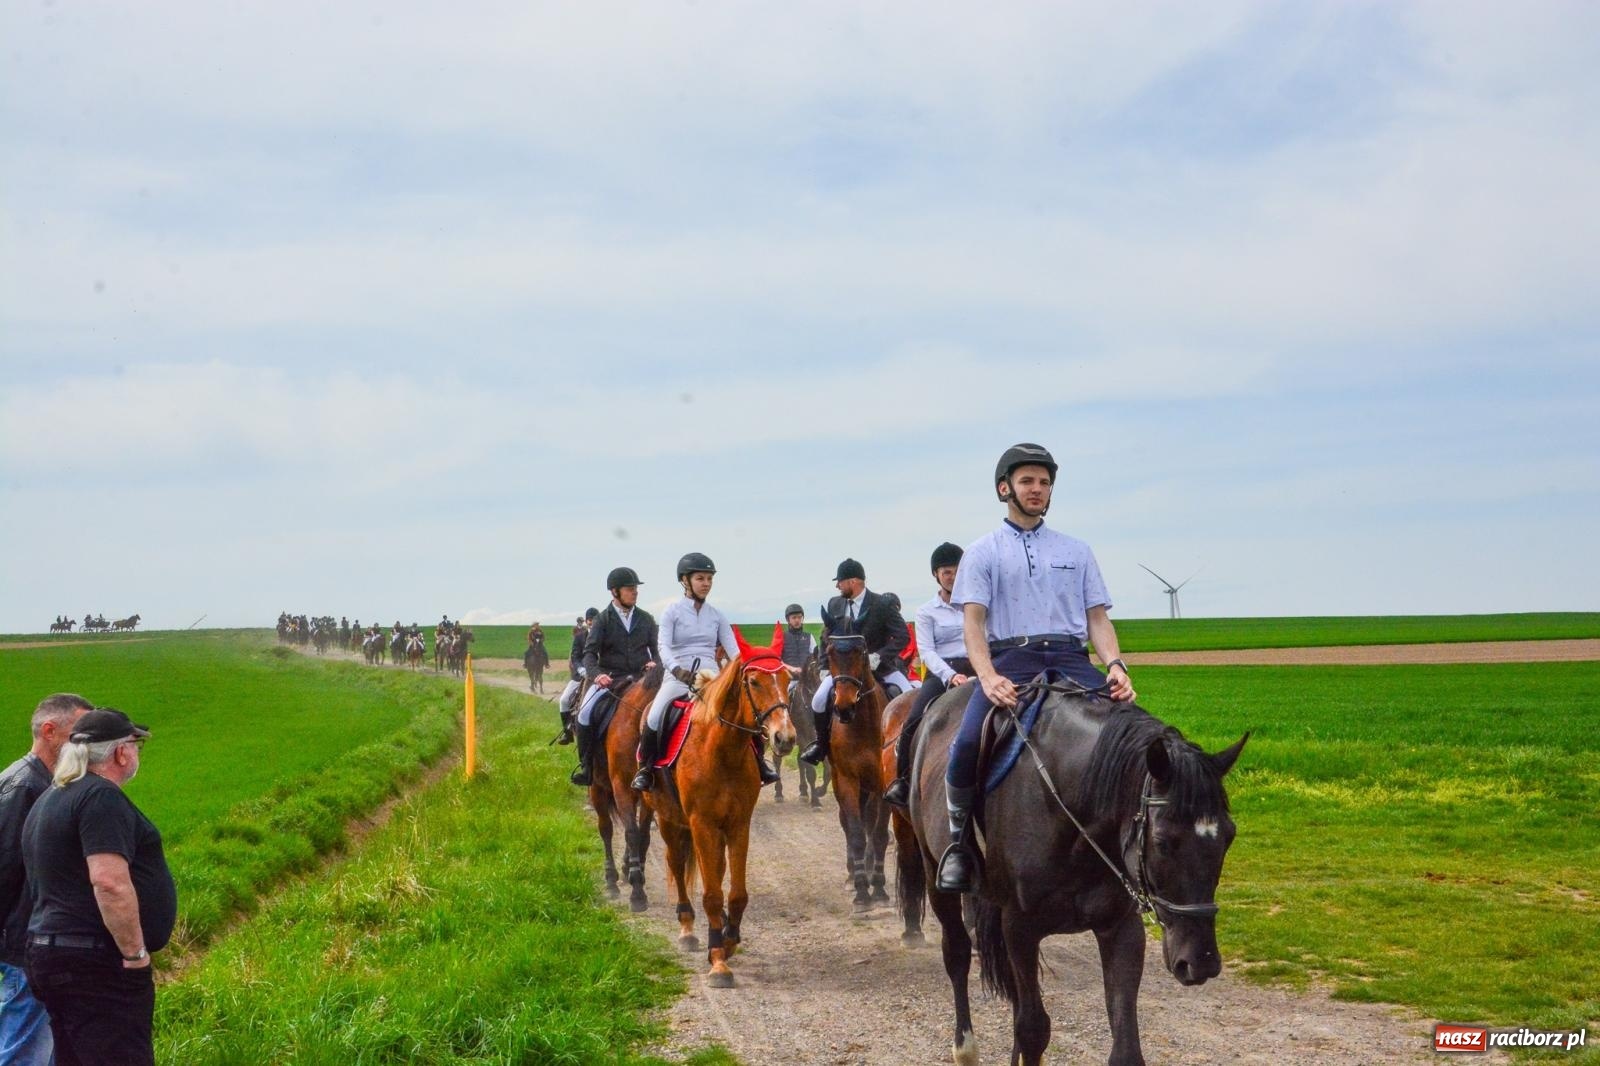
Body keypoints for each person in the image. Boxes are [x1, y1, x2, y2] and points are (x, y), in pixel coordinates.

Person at [935, 443, 1136, 894]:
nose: (1037, 489)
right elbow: (973, 623)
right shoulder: (982, 552)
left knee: (1131, 732)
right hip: (1013, 658)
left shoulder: (1077, 550)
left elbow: (1097, 619)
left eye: (1044, 483)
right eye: (1027, 481)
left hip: (1070, 657)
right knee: (967, 741)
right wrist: (987, 676)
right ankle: (959, 845)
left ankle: (1131, 843)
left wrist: (1117, 666)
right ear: (1004, 487)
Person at [22, 708, 176, 1066]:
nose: (137, 754)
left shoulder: (51, 799)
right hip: (95, 964)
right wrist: (135, 954)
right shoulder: (100, 798)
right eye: (136, 746)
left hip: (51, 955)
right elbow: (109, 881)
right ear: (122, 752)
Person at [0, 693, 94, 1066]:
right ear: (50, 731)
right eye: (79, 735)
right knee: (24, 1051)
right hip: (23, 948)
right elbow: (5, 871)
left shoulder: (47, 783)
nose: (85, 746)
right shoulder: (24, 788)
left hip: (38, 945)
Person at [631, 554, 779, 791]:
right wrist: (677, 670)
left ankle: (760, 763)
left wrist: (747, 667)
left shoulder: (717, 615)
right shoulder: (672, 611)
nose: (706, 583)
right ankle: (646, 769)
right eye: (700, 578)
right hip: (678, 676)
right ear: (685, 581)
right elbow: (663, 647)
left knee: (743, 713)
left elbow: (734, 651)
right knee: (655, 715)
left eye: (709, 578)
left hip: (711, 677)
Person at [798, 558, 911, 766]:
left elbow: (903, 636)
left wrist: (879, 656)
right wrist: (824, 667)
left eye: (839, 581)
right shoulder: (834, 604)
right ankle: (821, 745)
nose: (837, 586)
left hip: (881, 669)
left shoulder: (882, 604)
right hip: (843, 672)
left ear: (853, 581)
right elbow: (825, 638)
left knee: (907, 695)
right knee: (818, 700)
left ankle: (907, 748)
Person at [884, 543, 972, 808]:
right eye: (947, 572)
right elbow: (927, 651)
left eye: (957, 571)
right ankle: (902, 781)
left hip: (977, 669)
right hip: (941, 673)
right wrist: (950, 676)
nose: (953, 576)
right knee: (912, 720)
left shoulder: (976, 605)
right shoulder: (926, 612)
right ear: (936, 574)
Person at [570, 569, 660, 787]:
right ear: (615, 591)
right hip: (611, 679)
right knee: (584, 713)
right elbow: (589, 654)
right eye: (630, 589)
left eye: (636, 589)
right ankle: (587, 766)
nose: (635, 593)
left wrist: (656, 663)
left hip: (642, 679)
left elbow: (658, 651)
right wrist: (597, 674)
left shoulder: (646, 619)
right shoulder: (602, 620)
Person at [556, 608, 599, 744]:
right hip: (581, 675)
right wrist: (581, 669)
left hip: (600, 675)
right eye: (590, 620)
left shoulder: (604, 636)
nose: (592, 622)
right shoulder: (579, 638)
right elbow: (575, 656)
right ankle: (567, 732)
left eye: (595, 620)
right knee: (563, 700)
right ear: (586, 621)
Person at [778, 603, 817, 695]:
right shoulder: (782, 637)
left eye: (800, 617)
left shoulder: (809, 637)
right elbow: (777, 660)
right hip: (788, 681)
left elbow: (815, 658)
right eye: (794, 618)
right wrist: (792, 668)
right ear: (788, 620)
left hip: (807, 681)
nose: (797, 620)